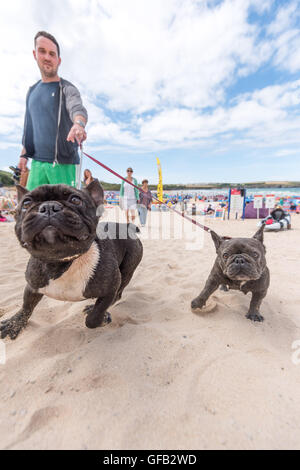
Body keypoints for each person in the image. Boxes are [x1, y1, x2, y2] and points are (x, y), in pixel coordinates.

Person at [18, 31, 88, 191]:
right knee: (31, 211)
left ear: (59, 60)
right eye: (42, 51)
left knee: (65, 212)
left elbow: (77, 108)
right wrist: (23, 155)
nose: (47, 57)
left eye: (52, 54)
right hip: (36, 165)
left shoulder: (67, 89)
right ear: (35, 54)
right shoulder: (32, 91)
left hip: (63, 164)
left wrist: (78, 124)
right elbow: (29, 129)